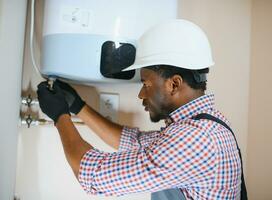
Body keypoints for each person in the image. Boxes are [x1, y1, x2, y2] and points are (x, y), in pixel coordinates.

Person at [37, 19, 246, 199]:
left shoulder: (195, 140)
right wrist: (77, 106)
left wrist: (60, 116)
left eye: (146, 84)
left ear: (174, 84)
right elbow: (132, 142)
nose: (141, 94)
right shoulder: (203, 125)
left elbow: (93, 175)